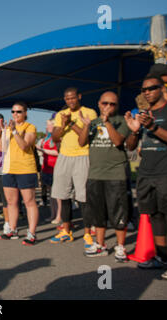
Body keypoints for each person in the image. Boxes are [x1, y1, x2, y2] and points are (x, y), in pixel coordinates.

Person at [124, 75, 167, 281]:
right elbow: (131, 147)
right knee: (155, 217)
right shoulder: (143, 114)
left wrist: (154, 128)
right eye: (144, 90)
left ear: (162, 88)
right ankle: (161, 258)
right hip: (147, 173)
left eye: (151, 88)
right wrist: (133, 132)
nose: (147, 92)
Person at [78, 91, 133, 261]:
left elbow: (118, 141)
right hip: (95, 174)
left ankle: (121, 246)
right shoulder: (93, 122)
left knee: (118, 212)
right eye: (105, 103)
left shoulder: (122, 121)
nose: (108, 107)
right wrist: (86, 126)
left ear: (117, 106)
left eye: (112, 104)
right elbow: (81, 142)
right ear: (99, 104)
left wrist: (107, 122)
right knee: (98, 213)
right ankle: (100, 245)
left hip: (116, 174)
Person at [49, 87, 97, 246]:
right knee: (63, 195)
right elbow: (55, 137)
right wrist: (63, 125)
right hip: (64, 157)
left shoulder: (90, 113)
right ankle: (66, 231)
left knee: (83, 197)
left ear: (79, 96)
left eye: (73, 98)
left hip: (82, 156)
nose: (70, 101)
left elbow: (85, 139)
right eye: (67, 99)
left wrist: (72, 124)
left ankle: (87, 233)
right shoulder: (60, 115)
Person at [0, 102, 39, 246]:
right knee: (11, 202)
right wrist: (4, 132)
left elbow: (24, 145)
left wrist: (15, 131)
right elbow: (2, 148)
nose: (15, 114)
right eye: (13, 112)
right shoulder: (9, 129)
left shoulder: (30, 127)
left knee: (29, 201)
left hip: (25, 169)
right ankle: (13, 229)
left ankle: (32, 233)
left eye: (19, 112)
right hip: (9, 169)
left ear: (25, 113)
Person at [35, 117, 61, 224]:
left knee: (58, 194)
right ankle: (53, 214)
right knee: (51, 193)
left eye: (49, 124)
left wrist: (42, 150)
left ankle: (59, 216)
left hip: (55, 167)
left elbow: (58, 152)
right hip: (46, 167)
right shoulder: (47, 138)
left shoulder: (57, 137)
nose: (47, 127)